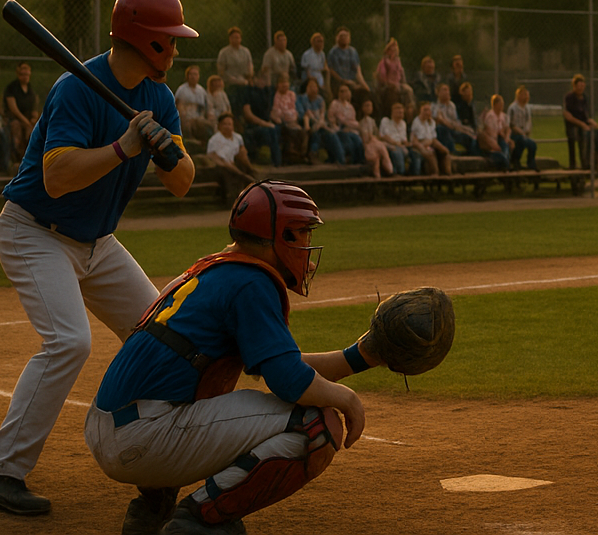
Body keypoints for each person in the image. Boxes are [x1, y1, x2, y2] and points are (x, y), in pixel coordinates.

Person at [0, 0, 195, 517]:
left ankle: (156, 465)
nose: (175, 49)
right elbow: (55, 179)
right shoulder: (76, 89)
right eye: (169, 41)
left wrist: (166, 150)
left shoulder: (159, 98)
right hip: (35, 230)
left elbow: (184, 183)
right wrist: (124, 147)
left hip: (96, 243)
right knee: (69, 342)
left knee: (161, 336)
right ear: (146, 42)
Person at [84, 181, 382, 535]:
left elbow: (283, 361)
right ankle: (199, 520)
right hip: (142, 436)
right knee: (316, 425)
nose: (307, 246)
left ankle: (152, 511)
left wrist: (363, 356)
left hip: (114, 426)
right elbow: (289, 379)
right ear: (280, 235)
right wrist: (348, 399)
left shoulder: (215, 270)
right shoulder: (250, 283)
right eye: (302, 233)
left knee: (203, 393)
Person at [206, 112, 256, 201]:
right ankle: (231, 198)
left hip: (236, 163)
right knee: (228, 172)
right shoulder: (215, 140)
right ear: (219, 126)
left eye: (229, 124)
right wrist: (240, 173)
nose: (227, 126)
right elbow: (220, 160)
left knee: (244, 165)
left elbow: (243, 152)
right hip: (222, 166)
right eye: (224, 124)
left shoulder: (238, 137)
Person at [563, 73, 598, 176]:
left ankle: (595, 164)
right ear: (574, 86)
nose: (581, 88)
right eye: (579, 86)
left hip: (584, 124)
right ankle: (584, 164)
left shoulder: (585, 98)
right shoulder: (570, 97)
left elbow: (585, 115)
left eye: (582, 85)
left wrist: (591, 121)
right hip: (574, 125)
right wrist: (582, 124)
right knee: (585, 134)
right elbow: (567, 116)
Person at [299, 78, 344, 166]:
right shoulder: (302, 98)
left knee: (332, 135)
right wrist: (318, 124)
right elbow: (306, 114)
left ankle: (340, 159)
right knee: (317, 133)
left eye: (315, 86)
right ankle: (313, 154)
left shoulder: (320, 100)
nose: (313, 88)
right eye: (310, 86)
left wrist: (320, 123)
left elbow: (322, 115)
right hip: (308, 124)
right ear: (306, 88)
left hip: (320, 125)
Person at [215, 26, 255, 120]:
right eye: (234, 37)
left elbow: (250, 66)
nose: (236, 39)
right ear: (230, 38)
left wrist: (249, 76)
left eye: (238, 37)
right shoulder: (224, 52)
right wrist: (234, 80)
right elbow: (221, 70)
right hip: (230, 84)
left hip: (244, 83)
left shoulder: (245, 51)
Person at [4, 61, 40, 162]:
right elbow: (13, 109)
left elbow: (34, 107)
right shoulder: (12, 88)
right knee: (17, 127)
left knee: (33, 130)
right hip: (15, 118)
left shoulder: (30, 89)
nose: (25, 76)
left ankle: (31, 158)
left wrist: (33, 117)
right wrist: (25, 121)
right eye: (22, 74)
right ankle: (17, 159)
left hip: (27, 120)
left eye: (27, 74)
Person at [270, 74, 307, 163]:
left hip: (294, 119)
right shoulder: (275, 96)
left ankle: (301, 155)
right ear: (278, 84)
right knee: (288, 130)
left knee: (304, 132)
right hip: (283, 121)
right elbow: (277, 111)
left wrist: (294, 117)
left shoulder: (292, 95)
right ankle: (291, 156)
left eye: (286, 82)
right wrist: (286, 117)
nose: (284, 85)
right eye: (282, 83)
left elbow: (296, 109)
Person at [175, 65, 216, 144]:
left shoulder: (201, 91)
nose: (193, 77)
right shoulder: (182, 90)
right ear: (187, 76)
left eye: (195, 74)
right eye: (191, 74)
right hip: (186, 117)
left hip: (199, 118)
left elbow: (206, 107)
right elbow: (178, 106)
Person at [432, 82, 476, 155]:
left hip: (454, 130)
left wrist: (464, 129)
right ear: (438, 92)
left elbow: (455, 121)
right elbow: (440, 121)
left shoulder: (452, 105)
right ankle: (451, 153)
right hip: (444, 131)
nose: (447, 92)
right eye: (444, 90)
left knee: (470, 136)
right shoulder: (434, 106)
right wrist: (449, 124)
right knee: (442, 128)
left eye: (448, 90)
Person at [327, 84, 366, 165]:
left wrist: (351, 125)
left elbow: (353, 121)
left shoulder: (350, 107)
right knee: (348, 141)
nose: (343, 93)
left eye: (345, 91)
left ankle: (359, 161)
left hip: (351, 129)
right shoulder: (335, 104)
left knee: (358, 140)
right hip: (339, 129)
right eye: (341, 91)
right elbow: (332, 118)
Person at [326, 27, 368, 101]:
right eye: (341, 36)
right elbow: (331, 70)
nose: (343, 38)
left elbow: (357, 71)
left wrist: (364, 85)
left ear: (349, 38)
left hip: (352, 82)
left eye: (346, 36)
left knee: (366, 94)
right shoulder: (333, 52)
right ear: (337, 38)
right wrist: (345, 82)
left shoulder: (353, 52)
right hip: (339, 83)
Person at [240, 98, 284, 167]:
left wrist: (274, 119)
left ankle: (277, 162)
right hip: (252, 126)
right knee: (271, 131)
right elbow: (248, 115)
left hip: (267, 124)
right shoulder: (248, 94)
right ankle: (276, 161)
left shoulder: (267, 93)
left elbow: (270, 113)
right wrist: (264, 123)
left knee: (277, 128)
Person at [374, 37, 412, 116]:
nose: (395, 52)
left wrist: (403, 83)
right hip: (387, 85)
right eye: (392, 50)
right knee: (393, 93)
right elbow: (382, 76)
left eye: (396, 50)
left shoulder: (398, 61)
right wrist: (390, 83)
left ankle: (408, 111)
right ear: (388, 51)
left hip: (398, 84)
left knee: (409, 90)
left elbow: (401, 73)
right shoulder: (384, 62)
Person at [378, 100, 417, 176]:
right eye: (398, 111)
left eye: (402, 112)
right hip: (389, 144)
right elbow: (383, 136)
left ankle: (414, 174)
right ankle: (399, 173)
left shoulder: (403, 123)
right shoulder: (386, 121)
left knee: (415, 152)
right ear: (392, 112)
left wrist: (408, 143)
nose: (401, 113)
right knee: (397, 151)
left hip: (400, 145)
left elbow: (403, 139)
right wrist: (396, 143)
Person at [358, 98, 393, 178]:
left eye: (370, 106)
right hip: (366, 144)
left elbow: (377, 134)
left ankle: (387, 171)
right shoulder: (361, 122)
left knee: (380, 149)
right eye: (366, 106)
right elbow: (366, 137)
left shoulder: (372, 121)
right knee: (378, 150)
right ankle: (387, 169)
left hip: (375, 143)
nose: (368, 108)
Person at [411, 102, 448, 177]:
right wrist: (423, 146)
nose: (427, 112)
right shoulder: (416, 122)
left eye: (429, 110)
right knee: (430, 154)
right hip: (421, 143)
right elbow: (414, 140)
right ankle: (434, 173)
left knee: (445, 151)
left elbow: (433, 137)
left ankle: (447, 173)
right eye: (425, 110)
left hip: (431, 141)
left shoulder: (432, 122)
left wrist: (438, 145)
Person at [507, 84, 537, 170]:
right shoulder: (512, 108)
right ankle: (515, 161)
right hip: (515, 134)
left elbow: (528, 121)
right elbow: (510, 124)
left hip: (524, 133)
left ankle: (531, 163)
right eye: (525, 95)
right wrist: (519, 131)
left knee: (532, 145)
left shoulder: (527, 108)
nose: (527, 98)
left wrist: (527, 131)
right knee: (520, 141)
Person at [259, 29, 297, 95]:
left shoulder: (289, 54)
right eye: (280, 40)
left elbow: (292, 69)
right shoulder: (270, 54)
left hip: (286, 81)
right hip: (274, 82)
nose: (283, 42)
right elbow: (265, 69)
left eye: (284, 40)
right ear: (276, 41)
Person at [479, 94, 512, 168]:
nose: (502, 106)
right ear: (495, 104)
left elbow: (507, 128)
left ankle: (506, 163)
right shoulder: (490, 116)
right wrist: (501, 133)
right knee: (503, 147)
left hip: (500, 138)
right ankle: (506, 165)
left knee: (506, 144)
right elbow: (492, 131)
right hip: (493, 140)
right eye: (500, 104)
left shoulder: (503, 116)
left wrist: (506, 136)